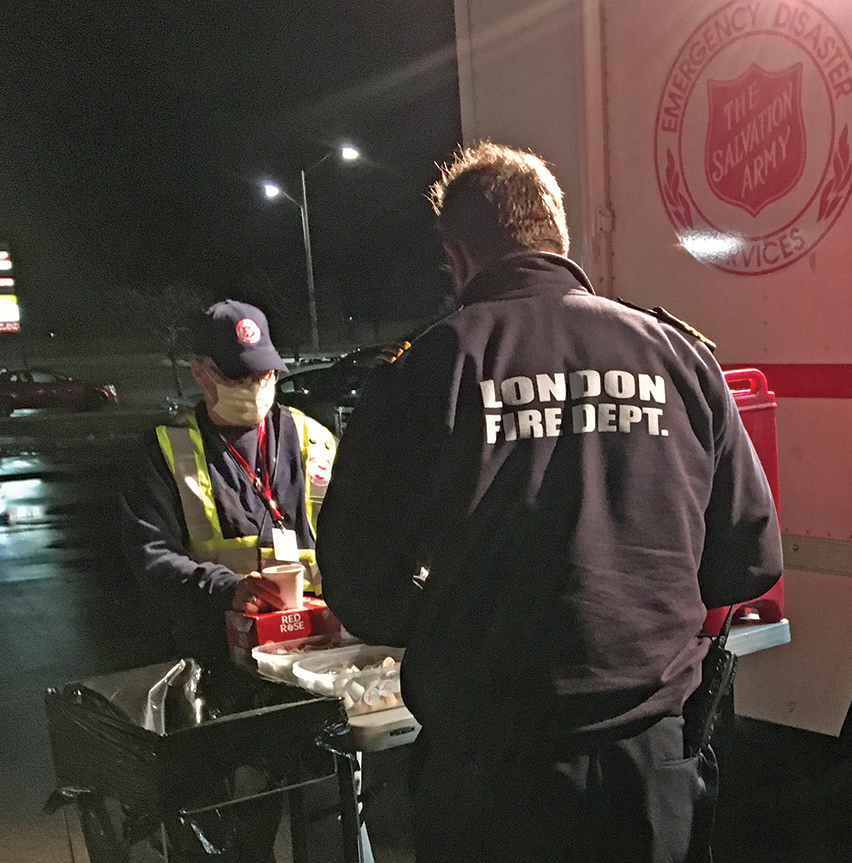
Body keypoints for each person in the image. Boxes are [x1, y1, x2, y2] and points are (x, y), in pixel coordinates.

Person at [317, 141, 783, 863]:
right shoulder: (677, 356)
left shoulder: (430, 369)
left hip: (492, 780)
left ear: (459, 254)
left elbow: (359, 586)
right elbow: (751, 560)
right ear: (559, 236)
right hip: (651, 766)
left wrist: (450, 616)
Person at [121, 299, 336, 663]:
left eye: (264, 374)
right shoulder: (163, 452)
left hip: (318, 648)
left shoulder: (313, 439)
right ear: (200, 373)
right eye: (238, 377)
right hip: (216, 653)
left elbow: (362, 535)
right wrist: (227, 589)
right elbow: (151, 554)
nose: (255, 386)